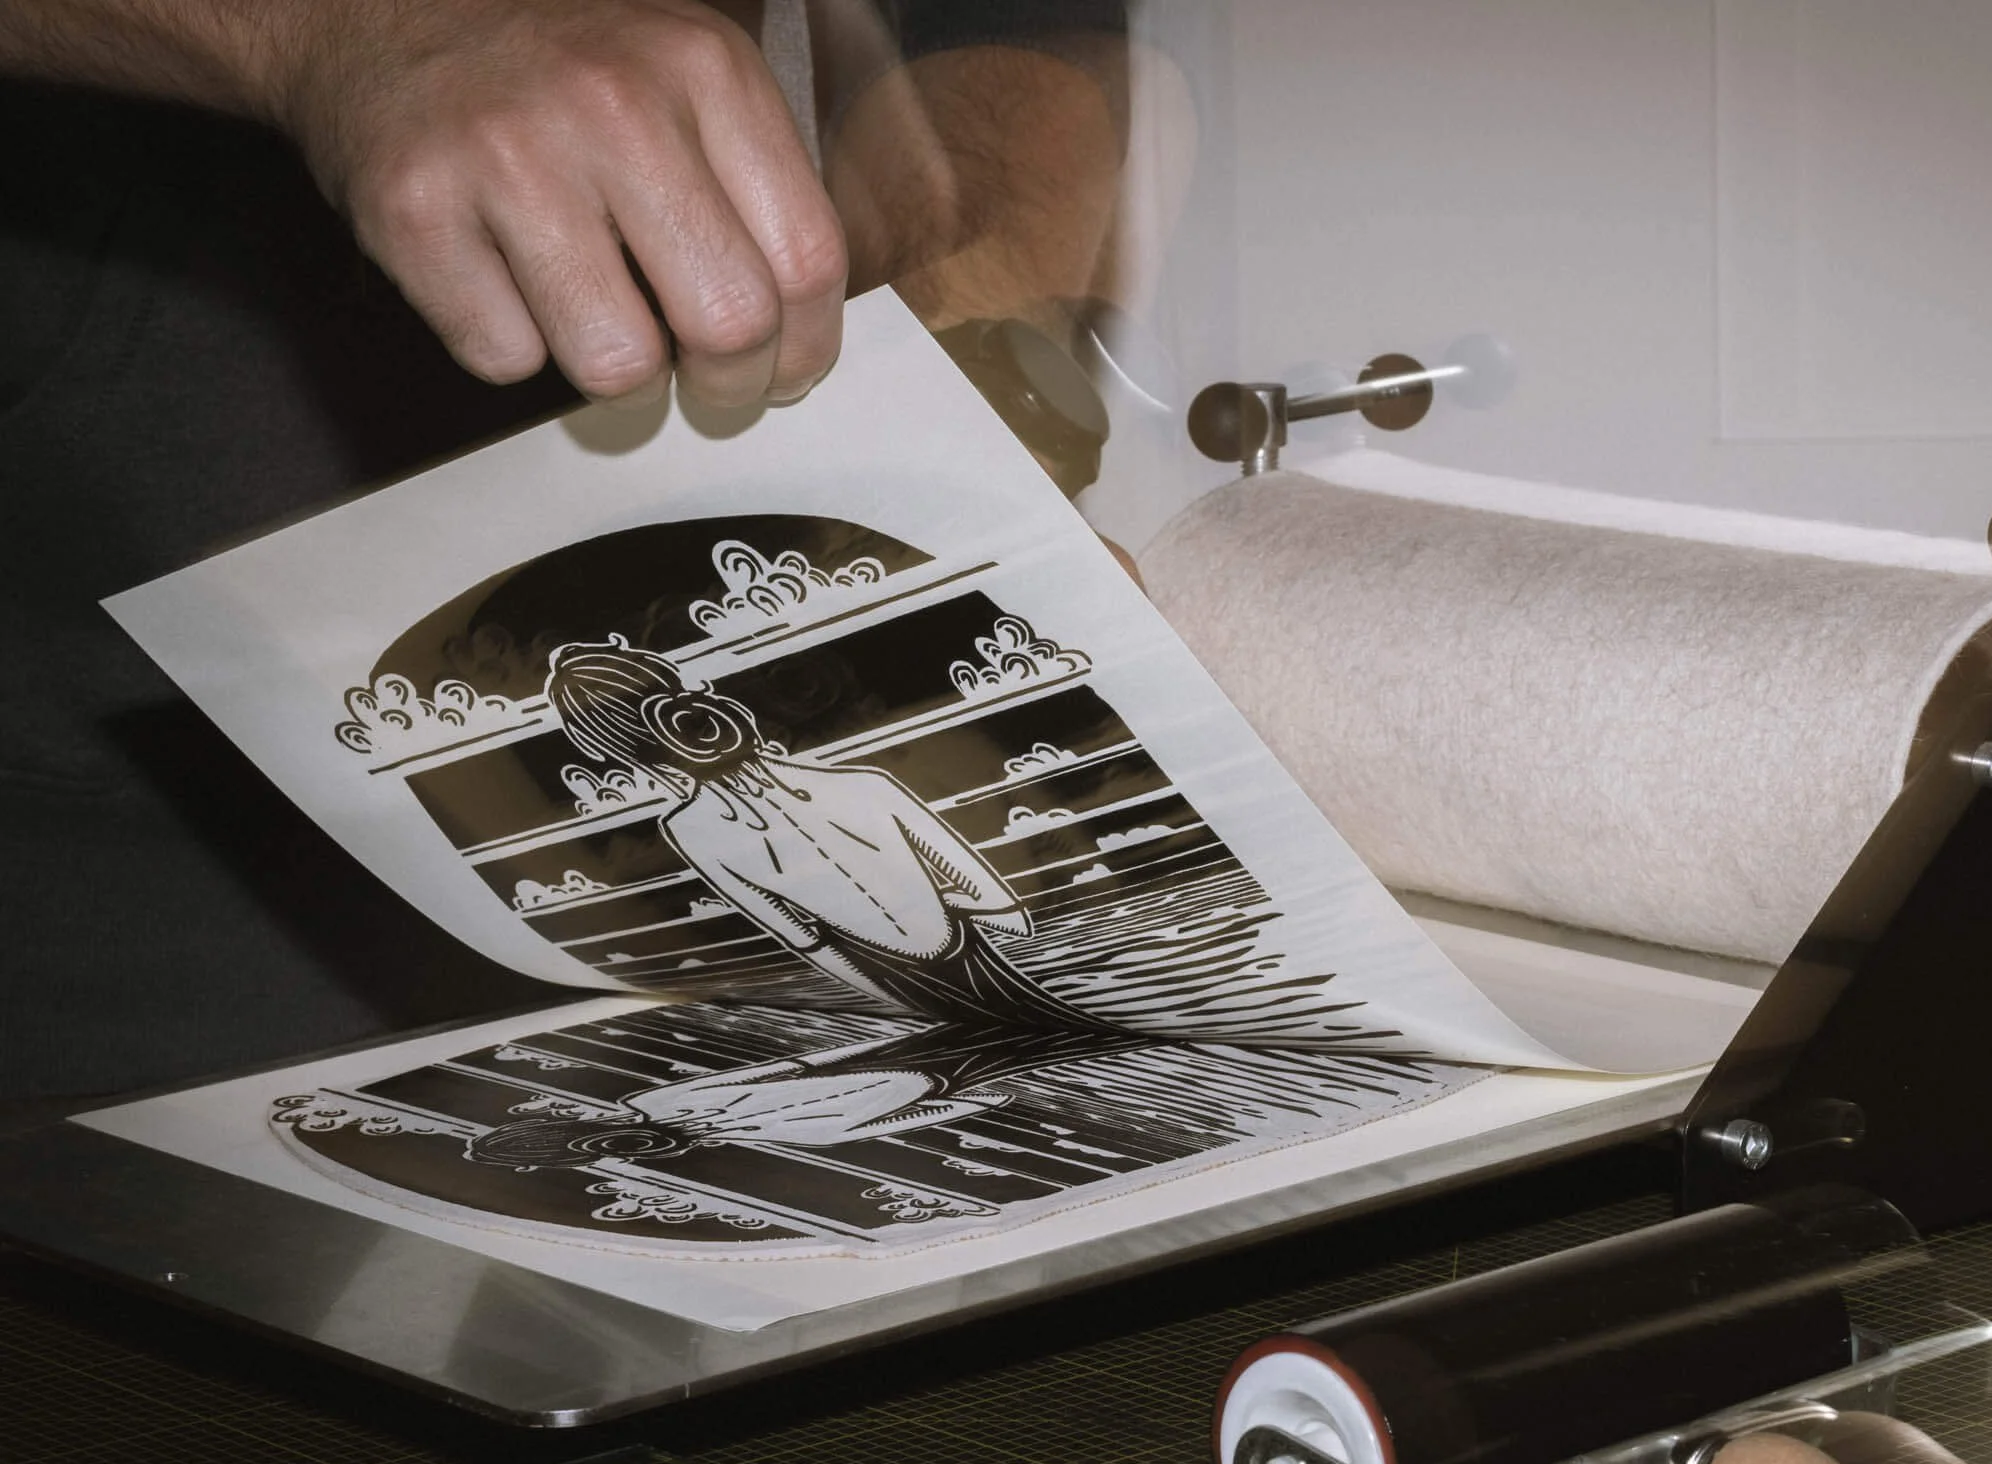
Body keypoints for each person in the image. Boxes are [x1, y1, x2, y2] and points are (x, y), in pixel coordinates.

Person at [0, 0, 1158, 1102]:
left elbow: (1014, 23)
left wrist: (968, 400)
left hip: (738, 845)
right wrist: (347, 30)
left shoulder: (812, 781)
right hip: (136, 832)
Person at [544, 638, 1120, 1031]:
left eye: (689, 707)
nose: (697, 725)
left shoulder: (861, 785)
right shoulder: (696, 832)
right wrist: (884, 993)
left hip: (968, 948)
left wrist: (1022, 940)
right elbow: (800, 935)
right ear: (638, 752)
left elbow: (974, 879)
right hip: (897, 979)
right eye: (661, 724)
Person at [465, 1019, 1147, 1164]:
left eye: (585, 1140)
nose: (614, 1144)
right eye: (596, 1152)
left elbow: (784, 1068)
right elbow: (850, 1132)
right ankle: (1126, 1031)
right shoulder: (725, 1139)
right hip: (912, 1085)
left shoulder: (664, 1106)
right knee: (1050, 1045)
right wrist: (967, 1108)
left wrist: (869, 1049)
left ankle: (1110, 1019)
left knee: (1023, 1028)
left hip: (893, 1061)